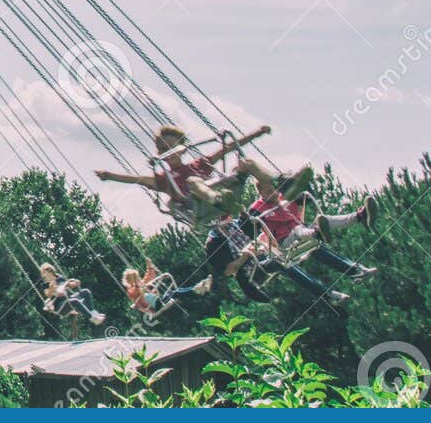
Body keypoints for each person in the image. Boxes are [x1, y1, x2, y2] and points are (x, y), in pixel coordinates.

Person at [94, 124, 310, 223]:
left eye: (174, 148)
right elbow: (136, 179)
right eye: (166, 151)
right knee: (193, 181)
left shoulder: (200, 163)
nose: (171, 154)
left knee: (247, 162)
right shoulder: (164, 180)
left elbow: (228, 148)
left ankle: (283, 184)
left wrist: (256, 134)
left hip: (224, 191)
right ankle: (217, 200)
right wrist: (109, 175)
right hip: (198, 206)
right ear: (160, 153)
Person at [246, 178, 376, 305]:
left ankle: (360, 216)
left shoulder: (283, 199)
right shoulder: (258, 208)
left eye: (273, 189)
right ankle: (317, 233)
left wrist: (293, 182)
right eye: (268, 191)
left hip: (302, 232)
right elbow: (250, 223)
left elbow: (305, 195)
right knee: (298, 231)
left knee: (325, 219)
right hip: (284, 241)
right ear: (260, 192)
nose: (273, 193)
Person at [122, 259, 211, 316]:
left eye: (138, 277)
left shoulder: (139, 284)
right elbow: (137, 293)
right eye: (136, 278)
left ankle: (198, 288)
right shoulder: (131, 290)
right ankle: (196, 289)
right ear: (131, 280)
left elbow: (148, 278)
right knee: (174, 293)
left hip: (158, 301)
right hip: (155, 306)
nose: (139, 279)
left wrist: (149, 267)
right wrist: (138, 284)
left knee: (174, 292)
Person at [38, 263, 106, 325]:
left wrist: (75, 283)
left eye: (46, 273)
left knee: (85, 291)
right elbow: (48, 295)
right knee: (74, 301)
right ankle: (93, 319)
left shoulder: (59, 278)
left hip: (69, 298)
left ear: (51, 272)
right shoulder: (45, 285)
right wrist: (51, 289)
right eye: (43, 274)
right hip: (60, 306)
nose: (45, 275)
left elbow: (70, 285)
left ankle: (93, 312)